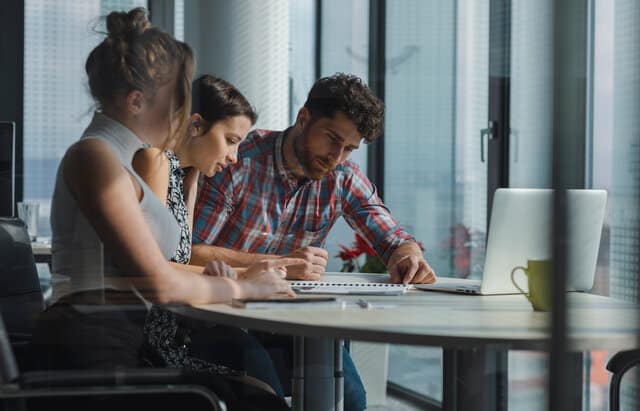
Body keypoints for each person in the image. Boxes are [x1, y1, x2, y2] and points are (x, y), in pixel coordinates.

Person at [33, 8, 299, 411]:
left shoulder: (122, 161)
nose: (183, 111)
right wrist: (247, 287)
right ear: (137, 101)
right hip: (96, 352)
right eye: (176, 99)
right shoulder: (95, 158)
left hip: (121, 342)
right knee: (257, 400)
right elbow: (159, 283)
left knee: (259, 395)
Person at [191, 73, 438, 411]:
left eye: (349, 148)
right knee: (265, 398)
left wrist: (407, 255)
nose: (336, 157)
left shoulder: (343, 177)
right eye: (332, 139)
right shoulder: (238, 160)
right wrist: (278, 263)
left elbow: (392, 235)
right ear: (304, 118)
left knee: (351, 400)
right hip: (222, 312)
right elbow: (190, 250)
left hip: (290, 317)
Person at [131, 74, 285, 393]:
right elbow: (153, 269)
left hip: (173, 342)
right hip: (144, 352)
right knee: (263, 394)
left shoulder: (184, 176)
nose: (234, 157)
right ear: (196, 125)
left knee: (263, 388)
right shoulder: (154, 161)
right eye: (230, 140)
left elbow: (180, 259)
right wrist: (244, 279)